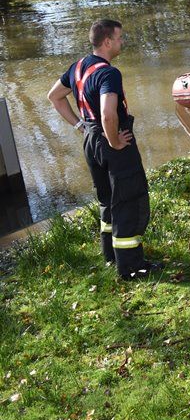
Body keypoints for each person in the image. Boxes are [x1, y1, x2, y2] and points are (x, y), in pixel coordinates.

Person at [47, 19, 159, 280]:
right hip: (112, 142)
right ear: (107, 42)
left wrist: (80, 126)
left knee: (107, 199)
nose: (122, 42)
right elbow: (109, 114)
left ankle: (111, 255)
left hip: (91, 141)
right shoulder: (109, 73)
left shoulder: (77, 67)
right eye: (119, 38)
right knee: (128, 200)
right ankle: (132, 268)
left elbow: (54, 97)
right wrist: (115, 141)